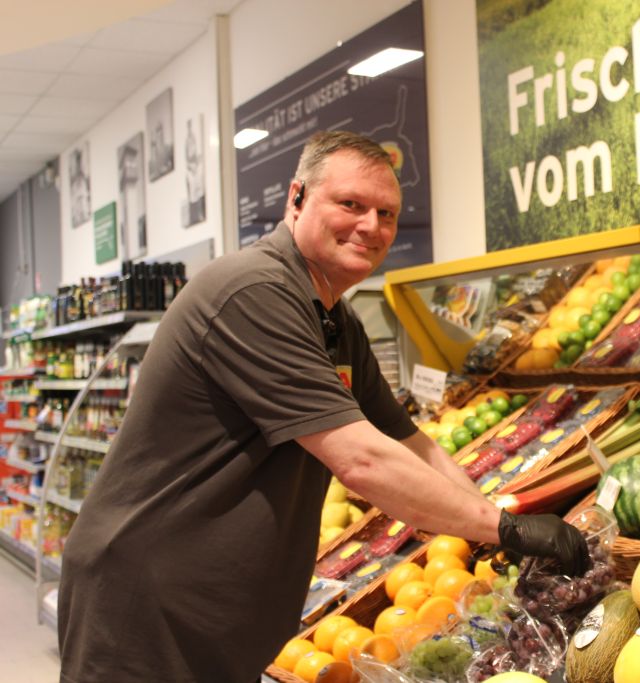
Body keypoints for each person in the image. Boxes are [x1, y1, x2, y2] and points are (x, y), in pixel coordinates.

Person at [57, 131, 589, 683]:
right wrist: (503, 528)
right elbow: (362, 460)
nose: (371, 226)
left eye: (387, 213)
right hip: (149, 602)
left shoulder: (335, 320)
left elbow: (410, 444)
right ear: (297, 198)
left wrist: (489, 522)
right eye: (351, 204)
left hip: (215, 609)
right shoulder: (253, 292)